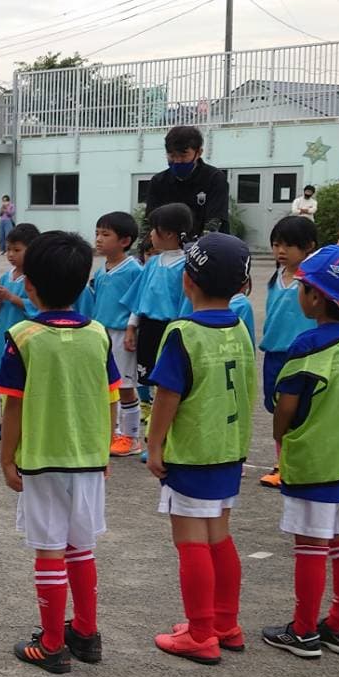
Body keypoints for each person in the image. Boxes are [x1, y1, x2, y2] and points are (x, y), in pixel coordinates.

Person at [0, 231, 118, 674]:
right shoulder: (100, 334)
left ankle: (51, 644)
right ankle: (85, 632)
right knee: (80, 547)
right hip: (89, 458)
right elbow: (111, 396)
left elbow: (15, 403)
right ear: (85, 283)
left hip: (43, 459)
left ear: (28, 286)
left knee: (49, 549)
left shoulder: (23, 335)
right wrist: (103, 450)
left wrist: (7, 458)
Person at [262, 244, 339, 658]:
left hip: (317, 459)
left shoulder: (308, 344)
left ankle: (303, 631)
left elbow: (287, 407)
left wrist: (280, 436)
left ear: (316, 297)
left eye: (303, 288)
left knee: (311, 546)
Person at [146, 233, 257, 666]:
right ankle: (225, 624)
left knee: (190, 541)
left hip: (193, 451)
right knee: (219, 537)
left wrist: (154, 446)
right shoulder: (240, 326)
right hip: (229, 449)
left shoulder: (182, 332)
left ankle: (200, 632)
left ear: (187, 279)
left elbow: (168, 397)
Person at [258, 216, 320, 489]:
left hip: (302, 354)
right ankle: (281, 462)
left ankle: (296, 463)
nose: (280, 251)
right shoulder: (277, 277)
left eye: (288, 246)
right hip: (275, 352)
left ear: (308, 247)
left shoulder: (312, 280)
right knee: (277, 409)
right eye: (276, 245)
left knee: (300, 409)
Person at [77, 212, 143, 457]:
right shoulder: (102, 270)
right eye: (97, 233)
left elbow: (139, 302)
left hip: (121, 335)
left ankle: (132, 437)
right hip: (102, 333)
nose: (98, 239)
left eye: (105, 234)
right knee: (106, 385)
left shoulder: (133, 269)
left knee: (125, 386)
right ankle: (112, 432)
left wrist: (131, 329)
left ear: (125, 241)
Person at [123, 203, 193, 394]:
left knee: (169, 380)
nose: (150, 234)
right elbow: (139, 300)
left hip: (172, 331)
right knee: (148, 376)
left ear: (169, 233)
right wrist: (131, 328)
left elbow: (186, 304)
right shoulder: (152, 263)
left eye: (154, 229)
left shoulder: (186, 266)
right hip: (147, 329)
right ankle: (151, 409)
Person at [0, 223, 40, 440]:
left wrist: (12, 298)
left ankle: (27, 420)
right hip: (6, 336)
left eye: (17, 250)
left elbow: (37, 307)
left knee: (27, 377)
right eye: (8, 249)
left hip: (27, 336)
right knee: (6, 376)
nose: (11, 255)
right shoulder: (5, 277)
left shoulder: (36, 277)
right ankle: (6, 419)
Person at [144, 126, 230, 238]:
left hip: (207, 247)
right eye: (172, 156)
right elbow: (150, 222)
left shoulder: (215, 178)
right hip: (169, 247)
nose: (177, 161)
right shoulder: (158, 181)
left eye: (183, 156)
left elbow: (215, 221)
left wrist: (197, 249)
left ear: (199, 152)